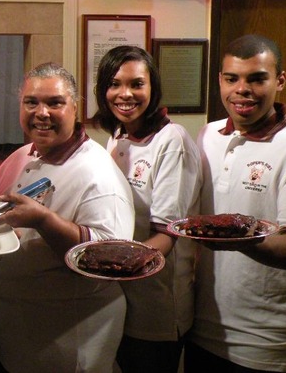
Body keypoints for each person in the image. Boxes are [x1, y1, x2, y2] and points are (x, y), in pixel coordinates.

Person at [186, 34, 286, 372]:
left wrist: (233, 240)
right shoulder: (207, 135)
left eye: (257, 78)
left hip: (270, 343)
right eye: (231, 78)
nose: (242, 89)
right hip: (204, 329)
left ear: (279, 81)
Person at [0, 62, 135, 373]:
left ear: (76, 108)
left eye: (55, 103)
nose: (42, 112)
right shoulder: (21, 156)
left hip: (67, 343)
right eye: (31, 102)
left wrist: (44, 222)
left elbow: (111, 258)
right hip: (13, 338)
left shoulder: (97, 172)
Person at [92, 46, 201, 373]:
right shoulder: (118, 136)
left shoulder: (172, 140)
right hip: (122, 298)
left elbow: (167, 235)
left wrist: (105, 266)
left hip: (157, 305)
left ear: (152, 89)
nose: (125, 94)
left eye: (136, 84)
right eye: (115, 84)